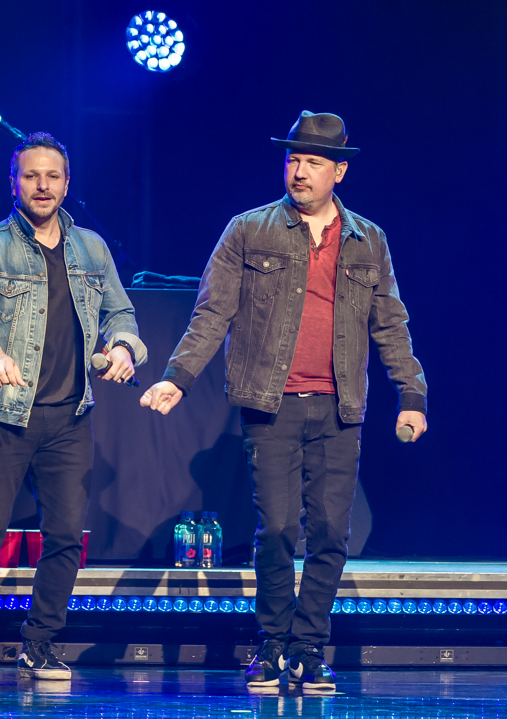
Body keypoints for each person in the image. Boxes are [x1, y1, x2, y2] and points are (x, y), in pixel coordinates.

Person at [141, 111, 427, 691]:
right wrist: (179, 377)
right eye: (294, 159)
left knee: (331, 533)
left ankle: (309, 647)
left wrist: (412, 393)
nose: (299, 171)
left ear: (338, 171)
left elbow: (390, 323)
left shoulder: (368, 239)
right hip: (271, 404)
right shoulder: (249, 230)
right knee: (275, 529)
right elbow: (211, 312)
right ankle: (273, 643)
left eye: (313, 162)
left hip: (340, 407)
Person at [0, 133, 146, 680]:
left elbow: (121, 313)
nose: (42, 185)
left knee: (65, 537)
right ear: (13, 183)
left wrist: (123, 347)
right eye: (31, 175)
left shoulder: (92, 248)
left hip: (70, 416)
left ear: (66, 183)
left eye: (52, 176)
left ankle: (40, 643)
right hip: (5, 413)